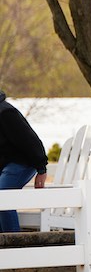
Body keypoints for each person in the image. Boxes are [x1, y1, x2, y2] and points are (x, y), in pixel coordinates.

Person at [0, 90, 47, 232]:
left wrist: (41, 169)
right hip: (5, 164)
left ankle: (14, 241)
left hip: (23, 162)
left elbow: (30, 140)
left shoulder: (6, 112)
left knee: (3, 196)